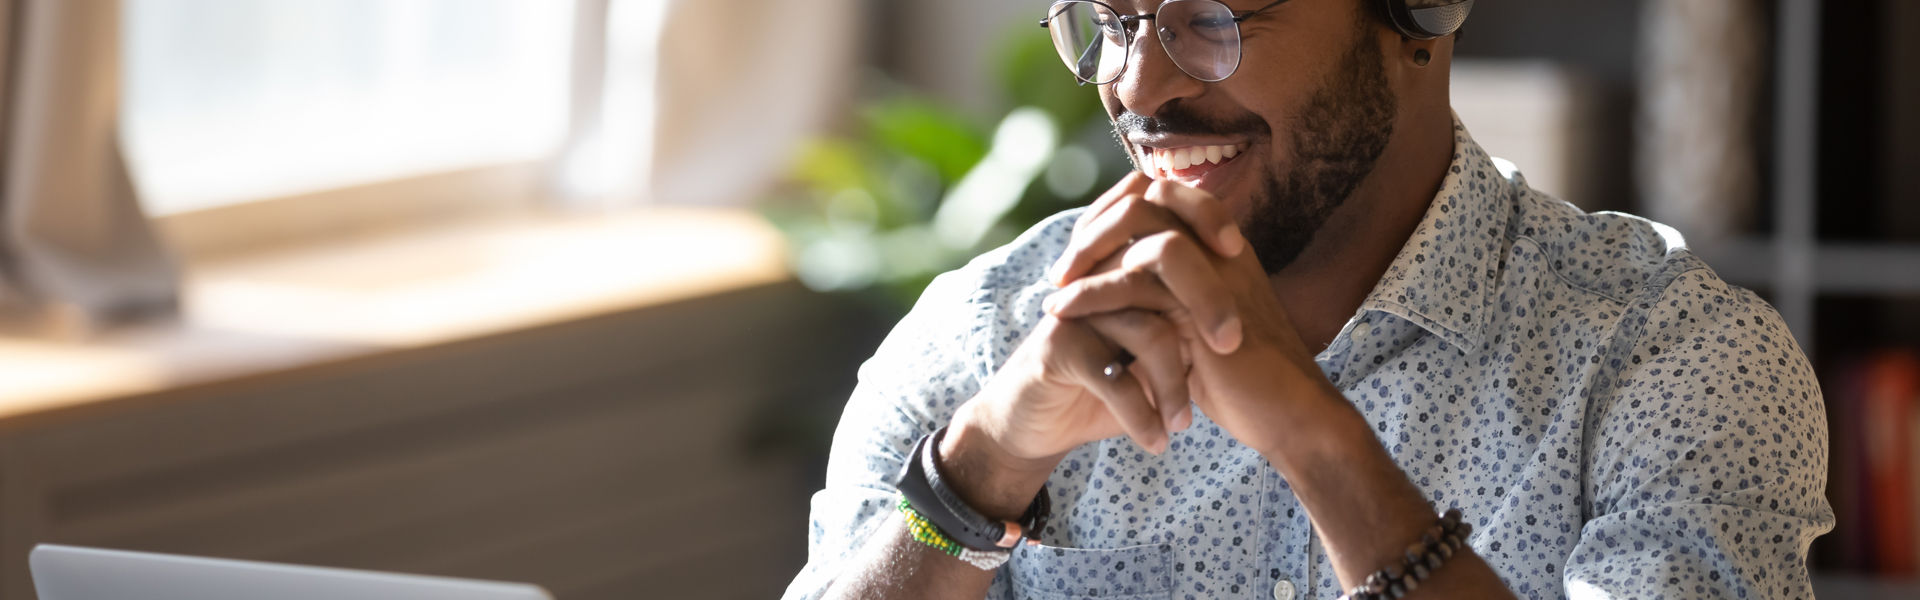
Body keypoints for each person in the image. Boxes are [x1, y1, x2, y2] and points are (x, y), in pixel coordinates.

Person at [784, 0, 1834, 598]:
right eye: (1113, 19)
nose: (1139, 87)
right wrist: (979, 474)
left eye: (1210, 16)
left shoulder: (1677, 365)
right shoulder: (983, 340)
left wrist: (1317, 443)